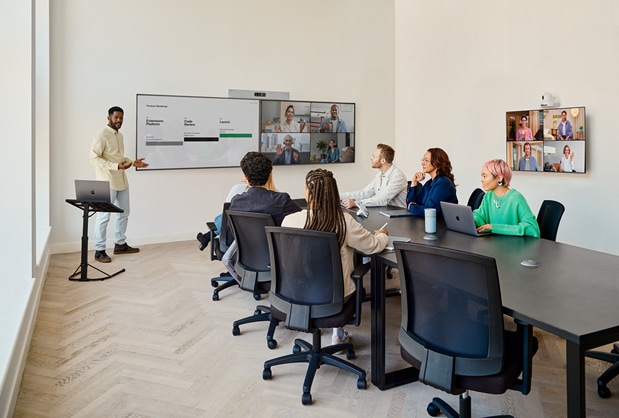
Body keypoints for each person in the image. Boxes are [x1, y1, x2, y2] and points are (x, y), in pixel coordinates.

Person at [282, 168, 388, 346]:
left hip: (295, 291)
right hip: (334, 298)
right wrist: (383, 234)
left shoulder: (289, 220)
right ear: (332, 194)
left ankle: (336, 334)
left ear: (307, 194)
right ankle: (337, 335)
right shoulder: (343, 221)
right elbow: (373, 246)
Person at [221, 152, 301, 279]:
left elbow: (231, 231)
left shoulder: (237, 201)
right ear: (270, 174)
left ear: (246, 177)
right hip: (276, 260)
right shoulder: (281, 200)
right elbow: (302, 219)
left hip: (245, 259)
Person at [89, 106, 149, 263]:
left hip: (122, 181)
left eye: (121, 118)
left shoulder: (119, 136)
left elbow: (117, 157)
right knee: (103, 217)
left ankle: (120, 244)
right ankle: (99, 250)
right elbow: (93, 158)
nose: (119, 121)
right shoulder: (101, 135)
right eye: (116, 117)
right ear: (108, 117)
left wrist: (132, 162)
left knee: (124, 213)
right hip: (107, 181)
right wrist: (115, 166)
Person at [196, 173, 277, 250]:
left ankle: (208, 236)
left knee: (226, 215)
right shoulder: (277, 197)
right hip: (266, 244)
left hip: (236, 240)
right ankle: (207, 236)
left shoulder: (238, 188)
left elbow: (227, 211)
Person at [473, 159, 540, 237]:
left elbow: (532, 229)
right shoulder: (488, 196)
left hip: (513, 246)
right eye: (481, 176)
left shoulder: (516, 198)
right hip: (493, 245)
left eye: (485, 176)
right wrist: (474, 220)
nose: (481, 180)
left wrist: (494, 227)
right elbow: (480, 215)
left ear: (499, 178)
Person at [340, 143, 408, 209]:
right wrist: (339, 196)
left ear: (383, 161)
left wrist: (356, 203)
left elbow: (382, 200)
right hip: (382, 213)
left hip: (397, 218)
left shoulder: (398, 176)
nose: (371, 158)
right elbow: (364, 193)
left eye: (374, 156)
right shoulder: (378, 175)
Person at [406, 147, 458, 216]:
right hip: (428, 222)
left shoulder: (443, 183)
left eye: (426, 160)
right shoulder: (429, 183)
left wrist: (412, 207)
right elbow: (411, 202)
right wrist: (414, 182)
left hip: (441, 225)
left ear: (437, 163)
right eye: (423, 160)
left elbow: (431, 211)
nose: (422, 163)